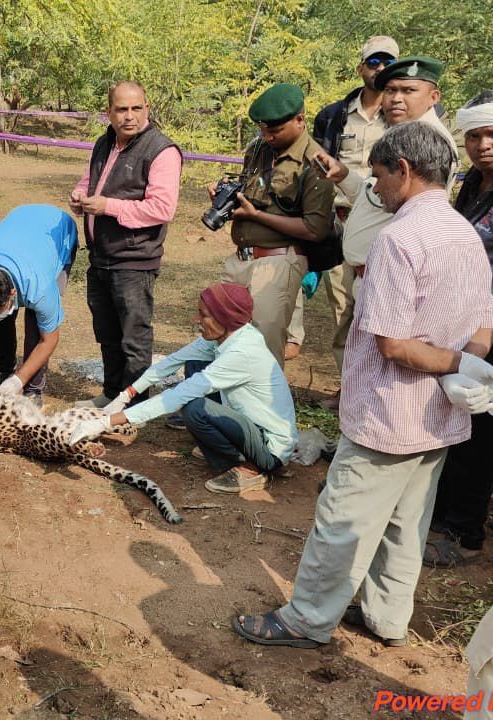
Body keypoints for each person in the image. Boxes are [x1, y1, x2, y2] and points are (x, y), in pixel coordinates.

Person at [232, 122, 493, 650]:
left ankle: (306, 619)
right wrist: (466, 368)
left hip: (387, 413)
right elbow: (484, 328)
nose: (374, 190)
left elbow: (392, 345)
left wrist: (450, 365)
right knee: (406, 523)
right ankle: (386, 616)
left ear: (403, 170)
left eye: (377, 178)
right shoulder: (467, 232)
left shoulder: (399, 238)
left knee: (342, 518)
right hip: (440, 416)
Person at [68, 283, 297, 495]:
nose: (197, 319)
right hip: (250, 426)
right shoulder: (230, 334)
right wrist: (126, 394)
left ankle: (253, 469)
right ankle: (227, 448)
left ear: (224, 318)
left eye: (204, 315)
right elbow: (172, 362)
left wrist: (106, 422)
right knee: (195, 364)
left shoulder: (242, 354)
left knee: (195, 408)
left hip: (270, 448)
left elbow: (175, 397)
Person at [295, 35, 399, 392]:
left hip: (388, 226)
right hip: (342, 223)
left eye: (388, 62)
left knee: (385, 312)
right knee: (344, 311)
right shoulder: (334, 115)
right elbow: (320, 171)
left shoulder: (404, 116)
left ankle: (379, 389)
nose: (381, 69)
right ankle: (348, 389)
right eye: (374, 62)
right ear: (361, 68)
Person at [70, 81, 182, 408]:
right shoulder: (104, 142)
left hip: (134, 261)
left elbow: (162, 209)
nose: (129, 116)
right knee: (107, 335)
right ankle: (111, 395)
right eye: (121, 109)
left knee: (134, 340)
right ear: (109, 113)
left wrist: (108, 207)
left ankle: (132, 410)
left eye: (136, 108)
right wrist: (80, 195)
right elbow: (92, 180)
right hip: (101, 256)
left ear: (147, 108)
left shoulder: (161, 150)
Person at [314, 57, 457, 302]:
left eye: (408, 90)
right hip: (373, 280)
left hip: (392, 283)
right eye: (390, 90)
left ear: (434, 97)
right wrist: (343, 175)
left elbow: (416, 216)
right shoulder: (399, 136)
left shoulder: (428, 144)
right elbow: (377, 198)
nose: (396, 98)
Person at [424, 91, 493, 568]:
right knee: (456, 421)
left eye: (491, 134)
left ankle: (466, 533)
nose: (483, 143)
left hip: (490, 327)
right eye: (473, 135)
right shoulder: (471, 183)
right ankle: (443, 513)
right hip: (465, 317)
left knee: (480, 430)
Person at [220, 83, 335, 368]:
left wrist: (256, 217)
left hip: (277, 263)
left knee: (263, 350)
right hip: (241, 258)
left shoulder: (315, 162)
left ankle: (264, 411)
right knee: (224, 338)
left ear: (300, 119)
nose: (267, 136)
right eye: (262, 129)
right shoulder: (259, 148)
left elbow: (314, 229)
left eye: (275, 130)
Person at [0, 204, 78, 406]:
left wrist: (19, 380)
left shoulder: (40, 288)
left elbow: (48, 339)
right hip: (20, 220)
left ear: (12, 293)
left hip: (58, 231)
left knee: (35, 322)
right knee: (0, 319)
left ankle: (33, 387)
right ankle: (5, 369)